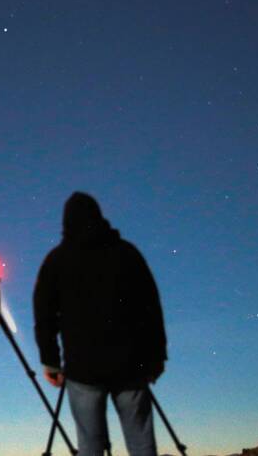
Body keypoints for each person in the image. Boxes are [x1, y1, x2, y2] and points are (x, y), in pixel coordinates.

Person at [33, 191, 167, 456]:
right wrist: (156, 356)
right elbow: (150, 308)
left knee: (90, 445)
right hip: (131, 366)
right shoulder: (127, 253)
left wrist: (50, 360)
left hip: (82, 370)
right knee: (141, 444)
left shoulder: (57, 261)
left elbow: (44, 315)